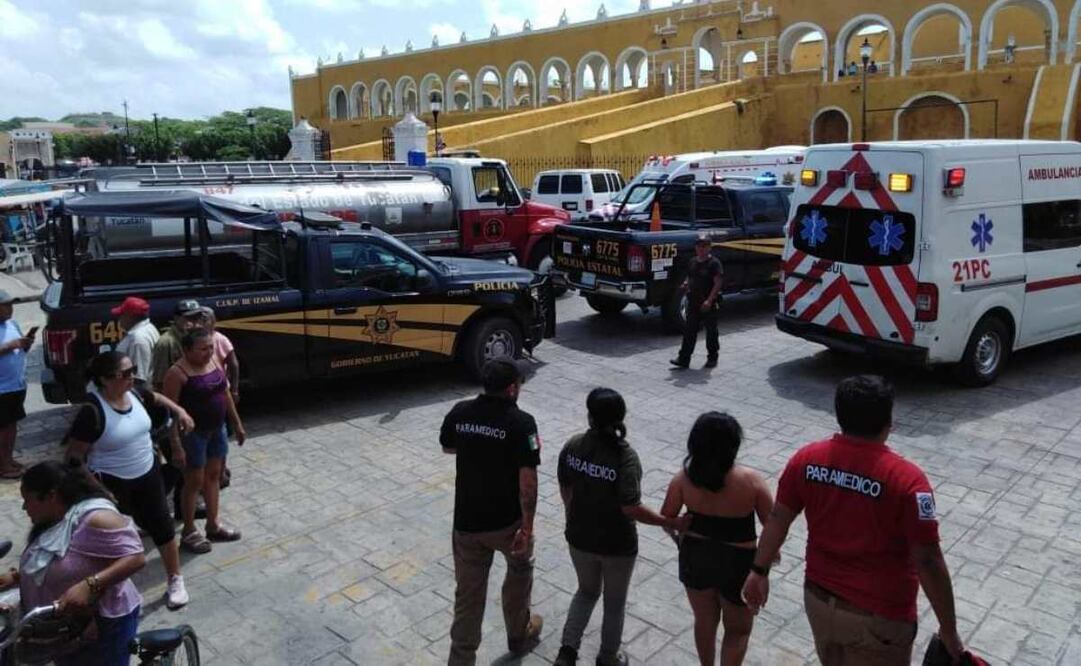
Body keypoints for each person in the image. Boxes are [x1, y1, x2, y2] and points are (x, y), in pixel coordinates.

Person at [742, 376, 966, 665]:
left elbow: (778, 519)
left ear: (839, 415)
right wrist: (949, 629)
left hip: (819, 603)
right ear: (888, 422)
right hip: (879, 619)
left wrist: (758, 571)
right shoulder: (908, 481)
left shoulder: (806, 460)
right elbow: (928, 560)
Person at [554, 388, 686, 666]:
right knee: (614, 603)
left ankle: (567, 652)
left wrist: (572, 515)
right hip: (617, 544)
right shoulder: (625, 458)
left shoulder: (573, 446)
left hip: (579, 537)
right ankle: (607, 657)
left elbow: (566, 487)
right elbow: (630, 508)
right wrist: (667, 521)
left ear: (590, 416)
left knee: (586, 592)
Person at [64, 351, 196, 610]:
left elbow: (157, 398)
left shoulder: (136, 393)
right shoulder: (92, 412)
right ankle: (112, 591)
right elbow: (73, 458)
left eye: (132, 370)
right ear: (104, 380)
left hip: (147, 472)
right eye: (124, 374)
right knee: (115, 540)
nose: (131, 377)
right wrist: (99, 491)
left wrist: (179, 411)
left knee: (163, 526)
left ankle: (175, 579)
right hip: (112, 483)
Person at [440, 358, 543, 665]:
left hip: (467, 525)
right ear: (512, 388)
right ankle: (518, 632)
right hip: (507, 525)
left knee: (468, 597)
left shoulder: (460, 412)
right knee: (520, 571)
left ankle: (461, 658)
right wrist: (528, 528)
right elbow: (528, 483)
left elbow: (447, 446)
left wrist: (477, 444)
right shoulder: (523, 423)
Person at [1, 462, 146, 666]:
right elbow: (55, 564)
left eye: (28, 500)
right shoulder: (53, 519)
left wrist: (90, 585)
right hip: (64, 630)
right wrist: (17, 578)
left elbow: (136, 558)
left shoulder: (96, 519)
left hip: (103, 627)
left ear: (51, 495)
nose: (24, 507)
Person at [661, 412, 773, 666]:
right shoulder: (752, 481)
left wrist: (679, 539)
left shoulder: (682, 480)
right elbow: (772, 526)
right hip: (738, 563)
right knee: (738, 630)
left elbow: (668, 519)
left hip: (696, 556)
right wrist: (765, 565)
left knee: (704, 621)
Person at [163, 328, 246, 555]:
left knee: (214, 477)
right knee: (193, 482)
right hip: (193, 435)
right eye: (203, 349)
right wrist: (176, 445)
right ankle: (189, 532)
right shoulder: (177, 373)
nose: (208, 352)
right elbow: (170, 413)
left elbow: (225, 394)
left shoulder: (213, 363)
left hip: (216, 430)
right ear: (187, 350)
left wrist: (236, 424)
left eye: (211, 347)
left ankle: (213, 525)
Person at [150, 299, 205, 518]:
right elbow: (161, 385)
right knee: (177, 464)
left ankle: (183, 507)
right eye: (188, 319)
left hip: (188, 412)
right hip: (172, 413)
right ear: (177, 319)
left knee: (186, 465)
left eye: (196, 319)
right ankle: (155, 505)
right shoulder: (167, 343)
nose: (193, 323)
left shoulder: (191, 340)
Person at [671, 234, 722, 369]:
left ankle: (712, 357)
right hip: (693, 302)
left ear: (709, 248)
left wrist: (709, 301)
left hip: (708, 303)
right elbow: (690, 276)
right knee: (689, 331)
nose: (701, 249)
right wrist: (686, 284)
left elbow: (717, 283)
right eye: (699, 246)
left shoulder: (714, 263)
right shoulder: (693, 261)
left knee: (711, 332)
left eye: (704, 246)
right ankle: (683, 359)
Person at [0, 289, 33, 479]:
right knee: (3, 428)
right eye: (5, 305)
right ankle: (3, 466)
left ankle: (8, 459)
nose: (10, 309)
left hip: (16, 385)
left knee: (11, 426)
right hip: (2, 388)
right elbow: (11, 347)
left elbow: (21, 350)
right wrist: (11, 345)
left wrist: (25, 344)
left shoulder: (12, 324)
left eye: (11, 304)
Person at [112, 297, 158, 389]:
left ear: (131, 317)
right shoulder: (148, 328)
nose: (119, 318)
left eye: (121, 314)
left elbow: (138, 379)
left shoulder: (138, 339)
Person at [200, 307, 239, 405]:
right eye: (199, 320)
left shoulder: (221, 339)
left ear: (213, 322)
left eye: (205, 320)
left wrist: (234, 391)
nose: (201, 323)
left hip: (219, 388)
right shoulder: (193, 340)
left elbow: (233, 365)